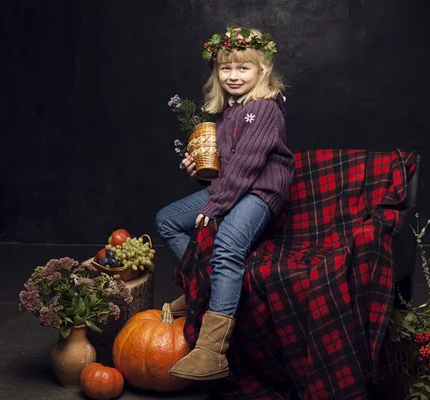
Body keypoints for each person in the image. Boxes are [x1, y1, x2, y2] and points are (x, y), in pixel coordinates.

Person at [155, 26, 295, 381]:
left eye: (243, 68)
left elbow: (248, 166)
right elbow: (225, 168)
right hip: (232, 187)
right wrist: (200, 172)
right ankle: (201, 285)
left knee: (227, 246)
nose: (233, 75)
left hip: (261, 191)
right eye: (225, 68)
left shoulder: (264, 109)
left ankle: (211, 352)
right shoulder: (229, 113)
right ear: (216, 72)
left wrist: (215, 204)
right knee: (168, 220)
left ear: (262, 70)